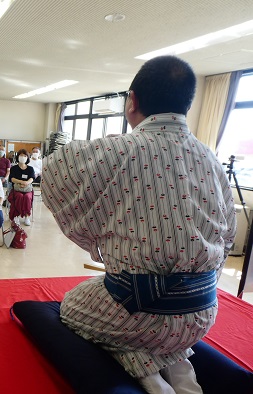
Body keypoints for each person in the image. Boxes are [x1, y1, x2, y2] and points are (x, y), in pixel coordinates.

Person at [42, 56, 237, 394]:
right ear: (187, 103)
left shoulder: (118, 149)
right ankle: (180, 371)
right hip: (203, 312)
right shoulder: (211, 159)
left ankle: (151, 379)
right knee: (158, 323)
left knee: (73, 305)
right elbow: (228, 236)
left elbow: (53, 171)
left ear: (132, 101)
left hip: (138, 308)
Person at [8, 149, 35, 226]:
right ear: (18, 157)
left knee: (27, 197)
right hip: (17, 188)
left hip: (27, 189)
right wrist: (21, 182)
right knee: (19, 196)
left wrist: (26, 183)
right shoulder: (14, 168)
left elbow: (32, 178)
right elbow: (12, 179)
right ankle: (16, 216)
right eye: (21, 155)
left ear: (27, 157)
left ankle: (27, 216)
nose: (23, 157)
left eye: (25, 156)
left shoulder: (30, 169)